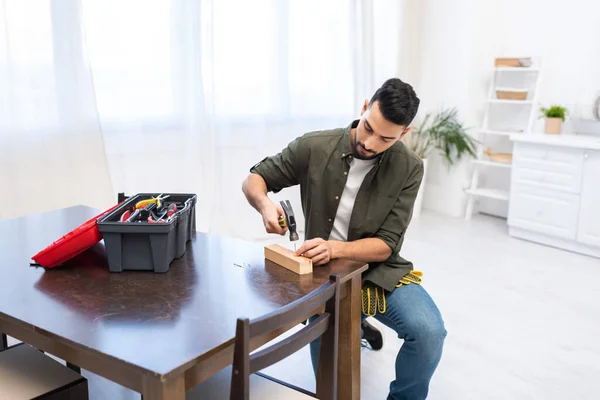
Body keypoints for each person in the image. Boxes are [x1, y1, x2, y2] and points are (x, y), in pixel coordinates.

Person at [242, 78, 446, 400]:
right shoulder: (315, 146)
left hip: (379, 271)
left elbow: (387, 244)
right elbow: (255, 178)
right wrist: (266, 205)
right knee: (333, 385)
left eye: (386, 138)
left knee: (429, 333)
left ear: (404, 134)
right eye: (368, 128)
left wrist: (335, 247)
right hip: (322, 274)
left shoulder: (410, 167)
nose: (370, 143)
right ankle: (356, 320)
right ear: (364, 108)